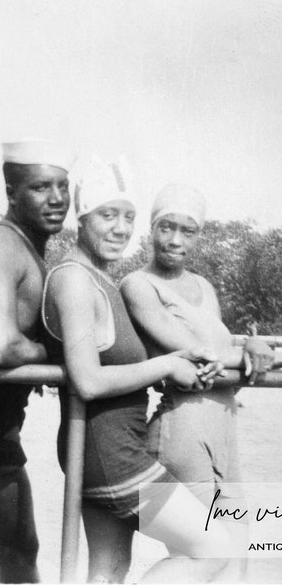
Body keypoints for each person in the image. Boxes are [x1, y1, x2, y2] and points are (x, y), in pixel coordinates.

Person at [42, 159, 234, 583]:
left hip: (107, 449)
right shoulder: (74, 279)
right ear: (82, 216)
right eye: (107, 215)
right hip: (112, 456)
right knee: (213, 548)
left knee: (108, 571)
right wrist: (166, 365)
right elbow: (87, 380)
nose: (120, 228)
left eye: (128, 217)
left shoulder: (103, 279)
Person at [120, 183, 274, 580]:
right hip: (181, 429)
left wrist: (251, 343)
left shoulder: (204, 286)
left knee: (238, 557)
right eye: (165, 227)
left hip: (225, 427)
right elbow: (194, 351)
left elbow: (221, 359)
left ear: (199, 235)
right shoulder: (138, 284)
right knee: (212, 552)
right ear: (151, 229)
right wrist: (247, 354)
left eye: (187, 231)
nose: (174, 240)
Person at [0, 138, 74, 583]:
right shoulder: (1, 244)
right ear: (11, 191)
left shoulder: (25, 246)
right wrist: (57, 353)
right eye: (41, 187)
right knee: (20, 558)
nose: (57, 198)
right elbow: (0, 346)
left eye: (63, 185)